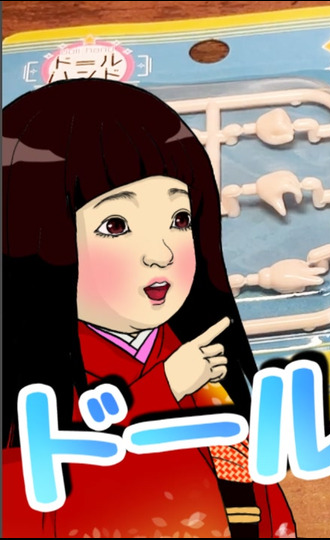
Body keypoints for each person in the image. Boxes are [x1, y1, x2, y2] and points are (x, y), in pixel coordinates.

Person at [2, 78, 296, 538]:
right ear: (32, 240)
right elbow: (35, 487)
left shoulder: (196, 360)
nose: (162, 253)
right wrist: (164, 386)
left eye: (180, 219)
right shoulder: (38, 381)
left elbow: (252, 486)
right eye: (116, 225)